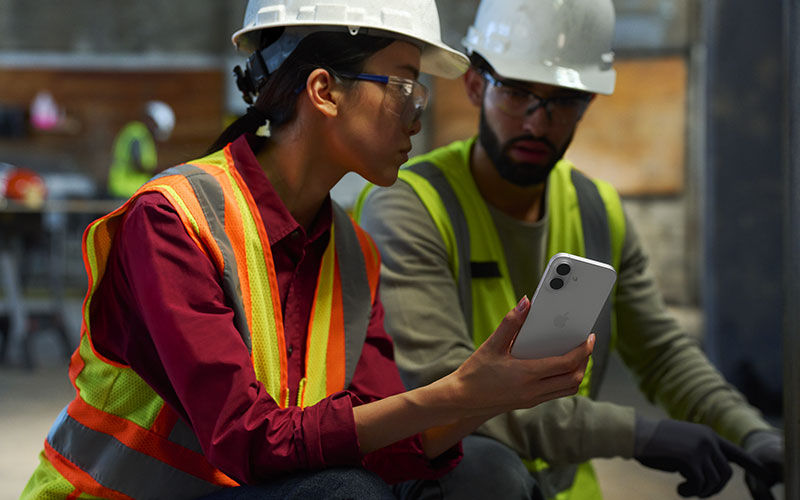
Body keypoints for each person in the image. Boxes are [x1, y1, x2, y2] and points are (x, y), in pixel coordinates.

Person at [20, 1, 596, 498]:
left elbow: (381, 442)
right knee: (346, 493)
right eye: (403, 89)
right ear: (324, 91)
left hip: (260, 490)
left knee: (487, 471)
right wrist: (455, 392)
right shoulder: (174, 222)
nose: (417, 120)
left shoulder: (352, 253)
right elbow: (248, 441)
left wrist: (487, 397)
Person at [356, 0, 785, 498]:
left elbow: (663, 353)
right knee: (485, 472)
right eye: (517, 94)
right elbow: (451, 394)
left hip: (561, 484)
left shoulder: (596, 210)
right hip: (451, 477)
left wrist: (751, 431)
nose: (537, 123)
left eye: (563, 100)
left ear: (587, 102)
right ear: (475, 84)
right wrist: (638, 434)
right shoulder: (410, 206)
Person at [106, 99, 175, 199]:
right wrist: (161, 172)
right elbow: (137, 165)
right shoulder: (137, 133)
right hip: (124, 191)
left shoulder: (145, 137)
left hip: (132, 192)